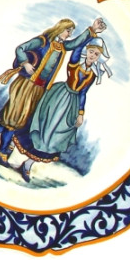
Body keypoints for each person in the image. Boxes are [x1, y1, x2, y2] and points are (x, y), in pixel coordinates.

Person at [0, 16, 107, 163]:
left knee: (20, 121)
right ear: (60, 29)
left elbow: (76, 43)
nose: (70, 34)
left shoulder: (62, 46)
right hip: (26, 85)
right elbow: (20, 49)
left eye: (71, 32)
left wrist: (93, 29)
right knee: (14, 119)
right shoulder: (43, 41)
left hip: (40, 89)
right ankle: (1, 151)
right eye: (68, 31)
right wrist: (25, 63)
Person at [12, 38, 110, 182]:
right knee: (42, 127)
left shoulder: (93, 75)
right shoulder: (75, 63)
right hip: (58, 97)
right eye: (91, 51)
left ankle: (27, 165)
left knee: (53, 138)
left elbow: (83, 93)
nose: (92, 55)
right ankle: (9, 147)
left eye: (96, 54)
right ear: (86, 50)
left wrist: (80, 113)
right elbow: (77, 49)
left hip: (72, 105)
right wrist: (89, 35)